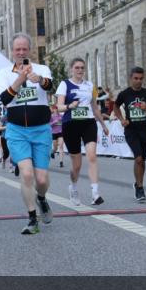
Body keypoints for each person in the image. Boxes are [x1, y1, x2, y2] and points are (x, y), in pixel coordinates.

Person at [0, 33, 55, 234]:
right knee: (27, 174)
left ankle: (41, 198)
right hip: (17, 130)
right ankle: (32, 219)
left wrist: (38, 79)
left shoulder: (41, 69)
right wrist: (19, 80)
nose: (21, 52)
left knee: (41, 179)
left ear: (29, 50)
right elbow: (2, 100)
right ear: (12, 51)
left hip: (40, 130)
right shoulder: (4, 73)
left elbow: (51, 86)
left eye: (24, 49)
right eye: (17, 49)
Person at [56, 58, 111, 206]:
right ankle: (73, 187)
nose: (80, 70)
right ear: (71, 69)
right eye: (77, 68)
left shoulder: (90, 85)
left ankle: (95, 193)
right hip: (71, 124)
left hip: (88, 123)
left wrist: (103, 125)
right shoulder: (64, 84)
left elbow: (94, 108)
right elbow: (58, 107)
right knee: (77, 164)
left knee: (92, 156)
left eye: (82, 68)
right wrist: (69, 106)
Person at [113, 66, 146, 202]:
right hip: (131, 131)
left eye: (141, 79)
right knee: (138, 159)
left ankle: (137, 183)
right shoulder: (125, 94)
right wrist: (121, 119)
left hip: (145, 131)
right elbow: (115, 106)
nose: (138, 81)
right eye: (136, 78)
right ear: (130, 78)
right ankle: (140, 188)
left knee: (142, 161)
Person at [49, 101, 65, 167]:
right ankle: (53, 152)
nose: (56, 110)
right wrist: (55, 122)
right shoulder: (51, 117)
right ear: (53, 109)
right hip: (54, 133)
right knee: (55, 148)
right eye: (54, 108)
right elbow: (49, 125)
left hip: (61, 133)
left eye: (57, 108)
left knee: (61, 146)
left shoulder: (61, 116)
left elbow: (64, 123)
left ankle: (61, 162)